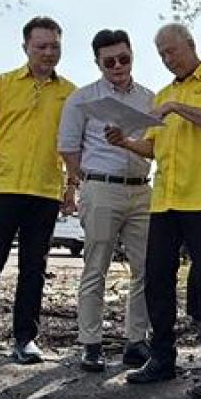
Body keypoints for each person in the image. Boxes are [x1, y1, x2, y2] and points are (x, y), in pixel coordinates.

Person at [108, 24, 201, 395]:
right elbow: (153, 149)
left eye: (172, 51)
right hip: (165, 200)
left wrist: (178, 107)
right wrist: (126, 143)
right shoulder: (163, 95)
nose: (168, 59)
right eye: (162, 54)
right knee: (157, 278)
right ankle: (162, 357)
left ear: (191, 45)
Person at [0, 18, 76, 365]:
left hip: (44, 192)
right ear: (25, 47)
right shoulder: (2, 83)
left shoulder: (69, 92)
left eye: (54, 46)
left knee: (34, 268)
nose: (47, 52)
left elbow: (72, 144)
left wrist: (71, 186)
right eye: (40, 46)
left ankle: (26, 338)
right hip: (2, 187)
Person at [57, 29, 155, 373]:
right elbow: (68, 146)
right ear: (97, 62)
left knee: (145, 268)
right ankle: (91, 343)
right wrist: (81, 181)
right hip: (100, 186)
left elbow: (158, 145)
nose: (118, 66)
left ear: (132, 56)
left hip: (142, 188)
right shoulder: (82, 99)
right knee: (95, 265)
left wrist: (129, 142)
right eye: (109, 61)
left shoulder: (150, 98)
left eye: (123, 59)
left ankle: (135, 341)